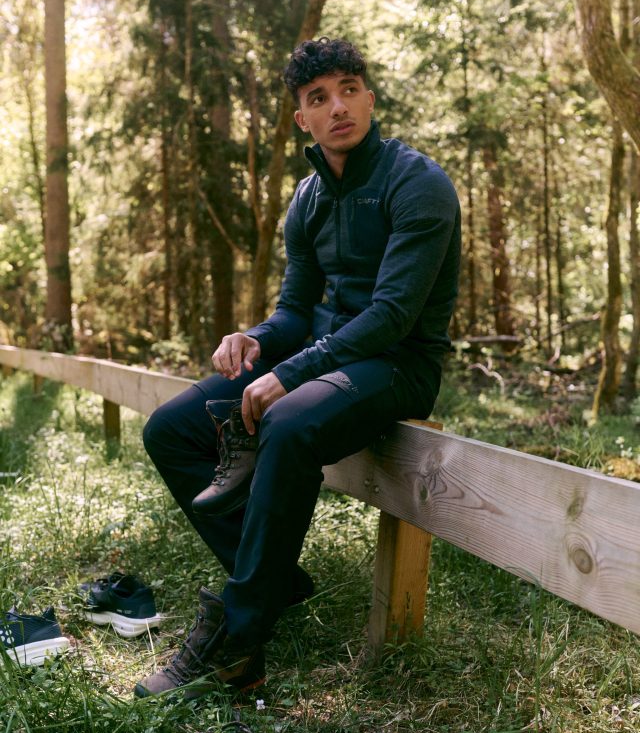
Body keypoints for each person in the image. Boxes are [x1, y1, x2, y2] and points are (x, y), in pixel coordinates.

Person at [135, 37, 461, 699]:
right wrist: (255, 339)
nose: (338, 106)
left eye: (349, 89)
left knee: (285, 422)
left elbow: (393, 316)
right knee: (169, 429)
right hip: (326, 358)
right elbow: (293, 312)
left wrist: (292, 373)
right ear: (301, 119)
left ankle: (239, 638)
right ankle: (275, 581)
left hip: (398, 364)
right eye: (319, 97)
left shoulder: (417, 182)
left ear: (370, 97)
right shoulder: (307, 198)